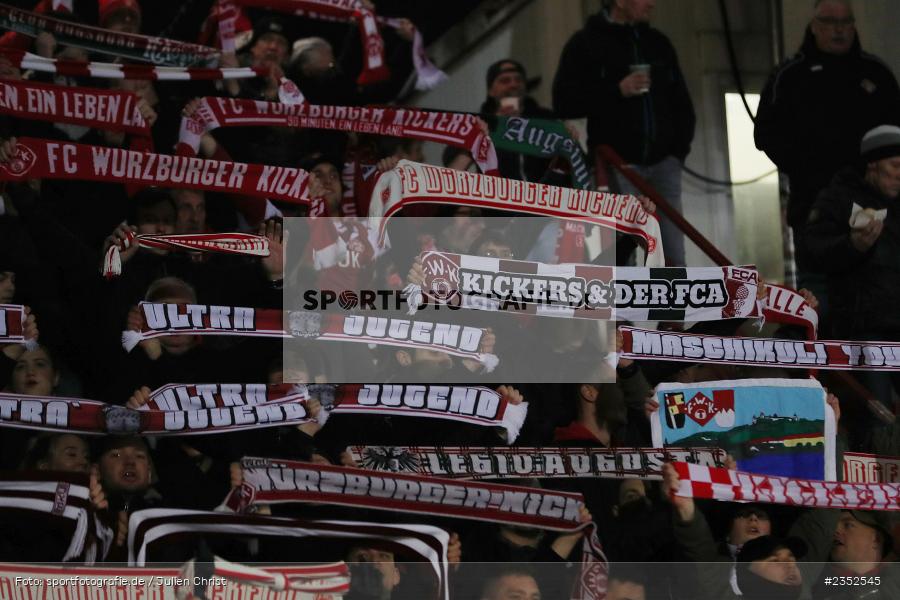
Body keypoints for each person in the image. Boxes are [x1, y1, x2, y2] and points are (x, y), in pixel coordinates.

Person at [755, 0, 900, 303]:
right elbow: (766, 134)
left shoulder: (877, 73)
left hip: (877, 206)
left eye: (846, 22)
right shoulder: (790, 76)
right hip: (813, 204)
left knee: (878, 291)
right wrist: (805, 168)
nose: (839, 30)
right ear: (815, 25)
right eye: (831, 23)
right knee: (819, 295)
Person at [553, 0, 695, 266]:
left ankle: (676, 307)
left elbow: (682, 103)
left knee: (672, 252)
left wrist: (676, 154)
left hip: (664, 165)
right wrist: (616, 90)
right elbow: (564, 102)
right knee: (622, 249)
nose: (652, 3)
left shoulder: (658, 43)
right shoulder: (585, 44)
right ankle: (626, 308)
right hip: (617, 166)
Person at [805, 125, 900, 414]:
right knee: (875, 414)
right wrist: (853, 245)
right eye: (895, 165)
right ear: (873, 164)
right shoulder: (838, 199)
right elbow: (813, 251)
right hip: (866, 332)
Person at [480, 59, 555, 182]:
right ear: (491, 91)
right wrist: (495, 124)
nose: (513, 84)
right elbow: (453, 156)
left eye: (518, 80)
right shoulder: (481, 124)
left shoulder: (545, 118)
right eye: (505, 81)